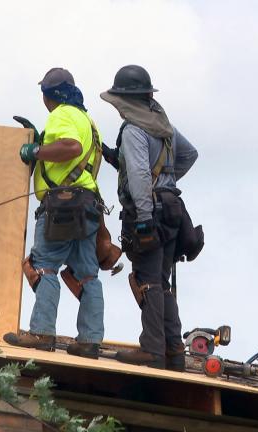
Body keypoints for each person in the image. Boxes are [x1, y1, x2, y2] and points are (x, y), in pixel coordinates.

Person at [100, 65, 200, 370]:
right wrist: (165, 181)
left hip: (150, 212)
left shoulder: (133, 130)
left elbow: (142, 175)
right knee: (162, 282)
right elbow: (188, 155)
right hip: (171, 210)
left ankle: (152, 349)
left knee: (147, 281)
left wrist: (144, 217)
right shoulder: (162, 124)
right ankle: (173, 350)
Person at [3, 68, 105, 359]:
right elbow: (77, 147)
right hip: (87, 204)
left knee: (43, 266)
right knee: (87, 274)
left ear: (49, 95)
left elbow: (70, 147)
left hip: (61, 204)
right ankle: (89, 341)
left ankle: (41, 333)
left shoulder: (62, 113)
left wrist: (35, 151)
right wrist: (44, 142)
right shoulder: (87, 120)